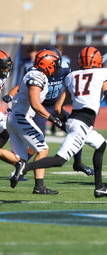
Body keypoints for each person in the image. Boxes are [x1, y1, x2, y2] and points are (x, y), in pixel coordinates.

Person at [10, 46, 107, 198]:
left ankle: (100, 187)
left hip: (75, 120)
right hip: (83, 123)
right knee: (59, 160)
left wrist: (64, 123)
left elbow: (58, 107)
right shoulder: (103, 72)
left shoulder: (72, 76)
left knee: (101, 144)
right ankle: (24, 168)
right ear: (98, 60)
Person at [4, 47, 95, 176]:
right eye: (55, 63)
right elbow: (21, 85)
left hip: (55, 106)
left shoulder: (64, 69)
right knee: (37, 142)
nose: (57, 66)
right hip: (40, 108)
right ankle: (20, 170)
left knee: (76, 131)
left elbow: (72, 85)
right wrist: (11, 95)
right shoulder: (37, 72)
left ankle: (78, 162)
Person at [7, 49, 63, 194]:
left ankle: (22, 169)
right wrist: (52, 118)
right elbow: (35, 104)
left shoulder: (34, 73)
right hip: (21, 117)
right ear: (47, 64)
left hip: (16, 117)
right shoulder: (37, 76)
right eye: (55, 64)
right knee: (43, 150)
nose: (56, 67)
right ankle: (39, 186)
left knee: (20, 158)